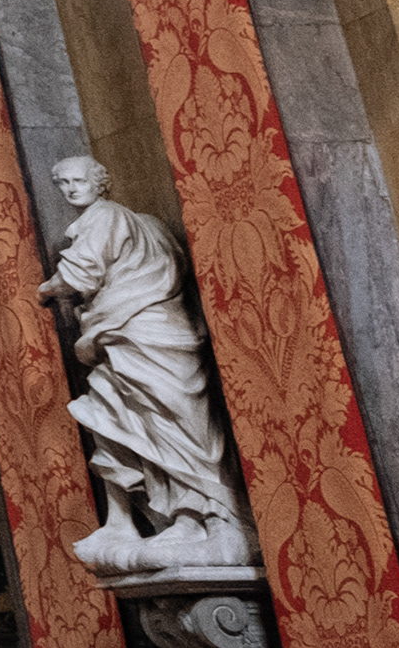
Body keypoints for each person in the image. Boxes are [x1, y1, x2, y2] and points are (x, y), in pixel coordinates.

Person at [38, 157, 252, 575]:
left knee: (171, 424)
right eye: (62, 183)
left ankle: (206, 517)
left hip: (147, 336)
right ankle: (127, 522)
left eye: (78, 180)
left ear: (100, 182)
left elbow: (80, 274)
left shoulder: (107, 217)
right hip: (120, 337)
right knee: (116, 419)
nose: (71, 189)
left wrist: (42, 290)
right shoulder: (139, 224)